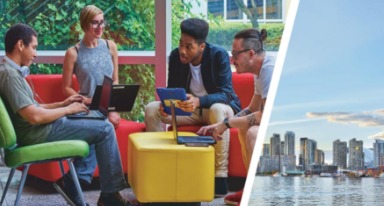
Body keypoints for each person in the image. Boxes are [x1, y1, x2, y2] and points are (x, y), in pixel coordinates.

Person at [0, 23, 131, 206]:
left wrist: (63, 104)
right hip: (37, 133)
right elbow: (34, 116)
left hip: (37, 130)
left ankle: (75, 179)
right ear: (20, 45)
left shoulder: (9, 71)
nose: (36, 54)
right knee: (105, 129)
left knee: (95, 121)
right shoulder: (9, 75)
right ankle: (108, 196)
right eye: (34, 48)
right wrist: (68, 110)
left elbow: (35, 108)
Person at [143, 18, 241, 197]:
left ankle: (219, 177)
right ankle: (161, 168)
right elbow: (172, 90)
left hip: (218, 110)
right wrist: (168, 106)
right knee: (152, 109)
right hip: (189, 111)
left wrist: (199, 100)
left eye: (189, 47)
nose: (182, 50)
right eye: (181, 44)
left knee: (217, 109)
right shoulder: (175, 57)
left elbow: (226, 94)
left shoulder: (218, 55)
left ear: (201, 46)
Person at [198, 28, 274, 205]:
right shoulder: (259, 72)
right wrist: (223, 123)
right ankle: (250, 188)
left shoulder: (269, 69)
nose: (232, 60)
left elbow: (264, 116)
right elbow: (252, 108)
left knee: (253, 133)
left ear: (250, 54)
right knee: (244, 126)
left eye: (235, 54)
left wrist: (227, 123)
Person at [58, 5, 120, 191]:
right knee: (102, 126)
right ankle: (103, 189)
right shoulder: (73, 52)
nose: (100, 27)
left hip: (106, 104)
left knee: (103, 123)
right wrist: (83, 99)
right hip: (86, 106)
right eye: (95, 23)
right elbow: (66, 88)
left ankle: (75, 178)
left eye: (102, 22)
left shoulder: (110, 46)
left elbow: (115, 79)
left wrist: (113, 107)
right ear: (85, 25)